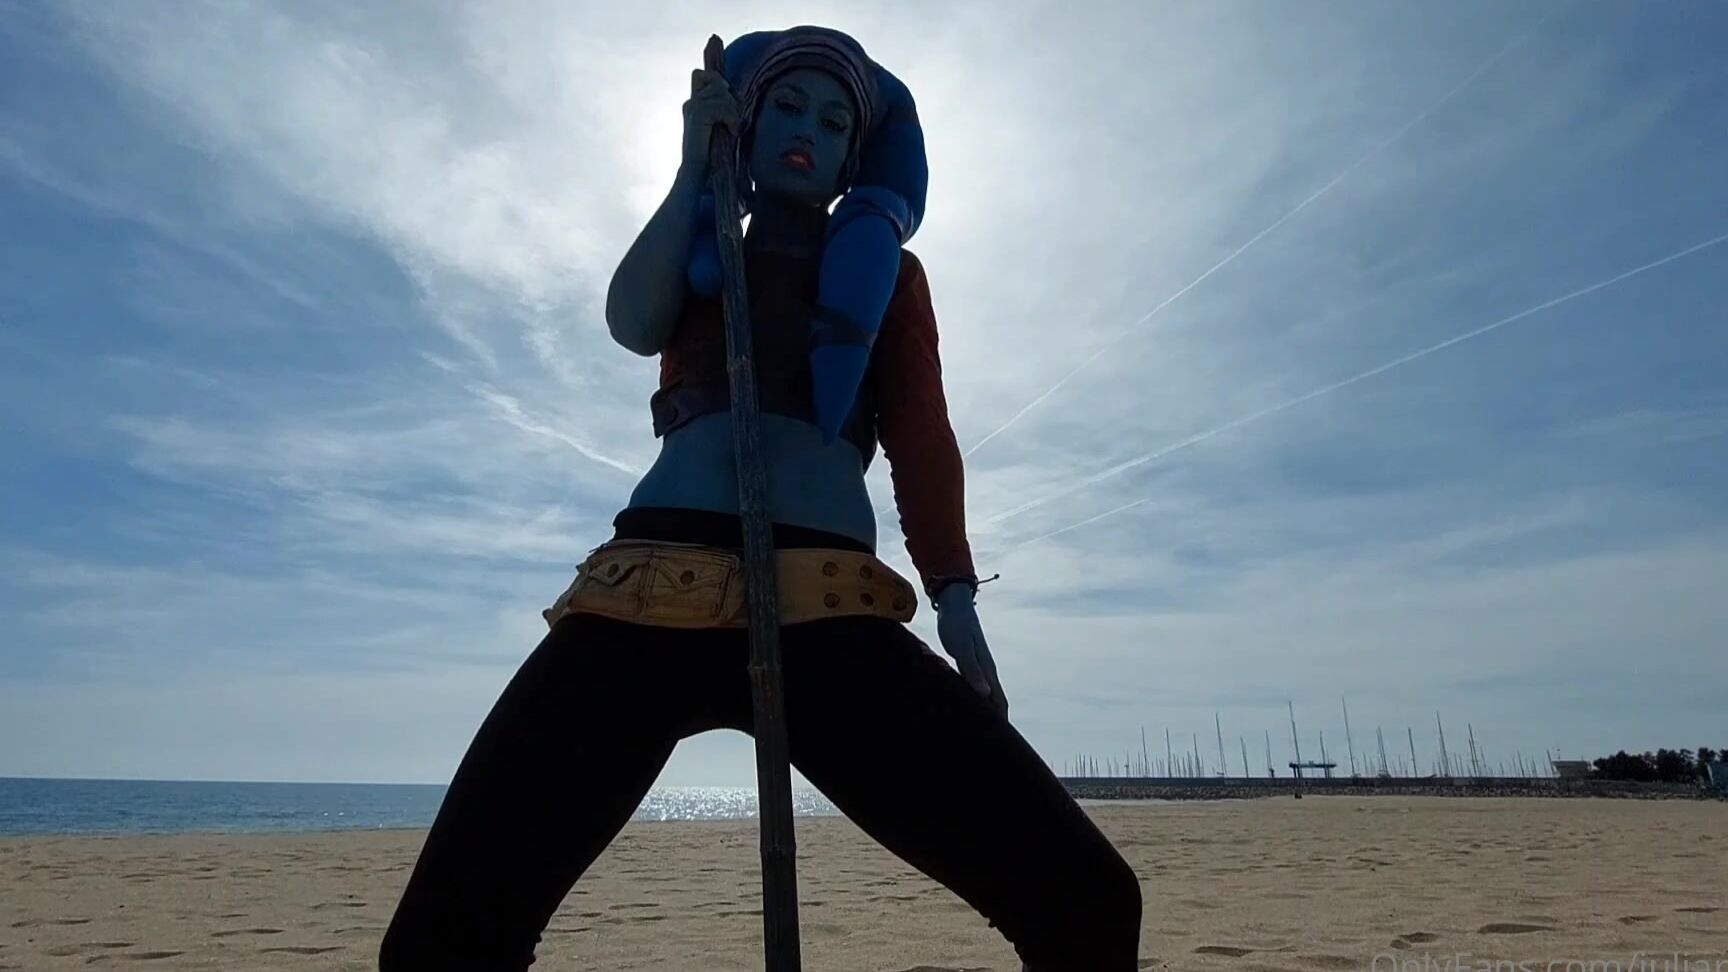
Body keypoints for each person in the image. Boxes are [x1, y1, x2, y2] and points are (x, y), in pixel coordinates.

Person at [378, 26, 1142, 972]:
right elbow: (631, 321)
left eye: (832, 121)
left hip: (829, 607)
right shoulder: (704, 257)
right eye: (785, 106)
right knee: (440, 939)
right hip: (646, 598)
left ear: (854, 154)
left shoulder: (890, 277)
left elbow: (921, 438)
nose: (806, 132)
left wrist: (955, 598)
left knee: (1092, 902)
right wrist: (690, 169)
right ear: (745, 118)